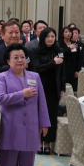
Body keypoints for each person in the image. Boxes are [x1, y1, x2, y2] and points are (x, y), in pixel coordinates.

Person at [0, 43, 50, 166]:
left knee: (27, 162)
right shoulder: (2, 77)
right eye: (15, 57)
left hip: (31, 125)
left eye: (22, 57)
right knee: (7, 162)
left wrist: (44, 123)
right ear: (8, 61)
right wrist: (22, 94)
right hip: (10, 125)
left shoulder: (34, 77)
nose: (20, 60)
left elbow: (42, 102)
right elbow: (0, 98)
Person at [32, 27, 64, 155]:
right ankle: (39, 142)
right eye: (48, 36)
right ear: (43, 38)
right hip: (40, 87)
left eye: (53, 36)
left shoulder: (59, 51)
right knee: (39, 115)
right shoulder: (36, 51)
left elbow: (62, 71)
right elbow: (36, 69)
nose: (50, 39)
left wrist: (62, 88)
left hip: (54, 88)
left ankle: (48, 143)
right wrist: (52, 63)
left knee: (51, 116)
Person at [0, 20, 21, 122]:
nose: (14, 35)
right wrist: (11, 67)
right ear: (2, 34)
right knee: (0, 135)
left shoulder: (26, 51)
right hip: (0, 98)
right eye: (10, 33)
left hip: (22, 99)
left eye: (17, 32)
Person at [58, 26, 80, 92]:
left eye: (70, 32)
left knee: (72, 87)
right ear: (62, 34)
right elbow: (60, 55)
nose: (68, 33)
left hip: (72, 69)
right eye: (66, 32)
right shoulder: (59, 44)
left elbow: (78, 58)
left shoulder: (75, 44)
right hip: (63, 68)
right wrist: (69, 48)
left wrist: (77, 70)